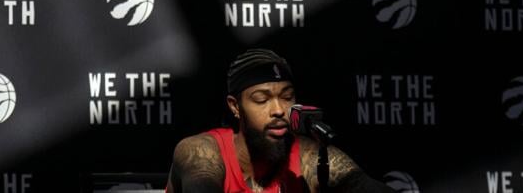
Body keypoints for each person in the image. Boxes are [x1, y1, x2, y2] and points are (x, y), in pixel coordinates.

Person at [167, 48, 390, 192]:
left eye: (286, 97)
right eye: (261, 99)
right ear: (235, 107)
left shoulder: (308, 158)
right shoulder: (201, 151)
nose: (279, 110)